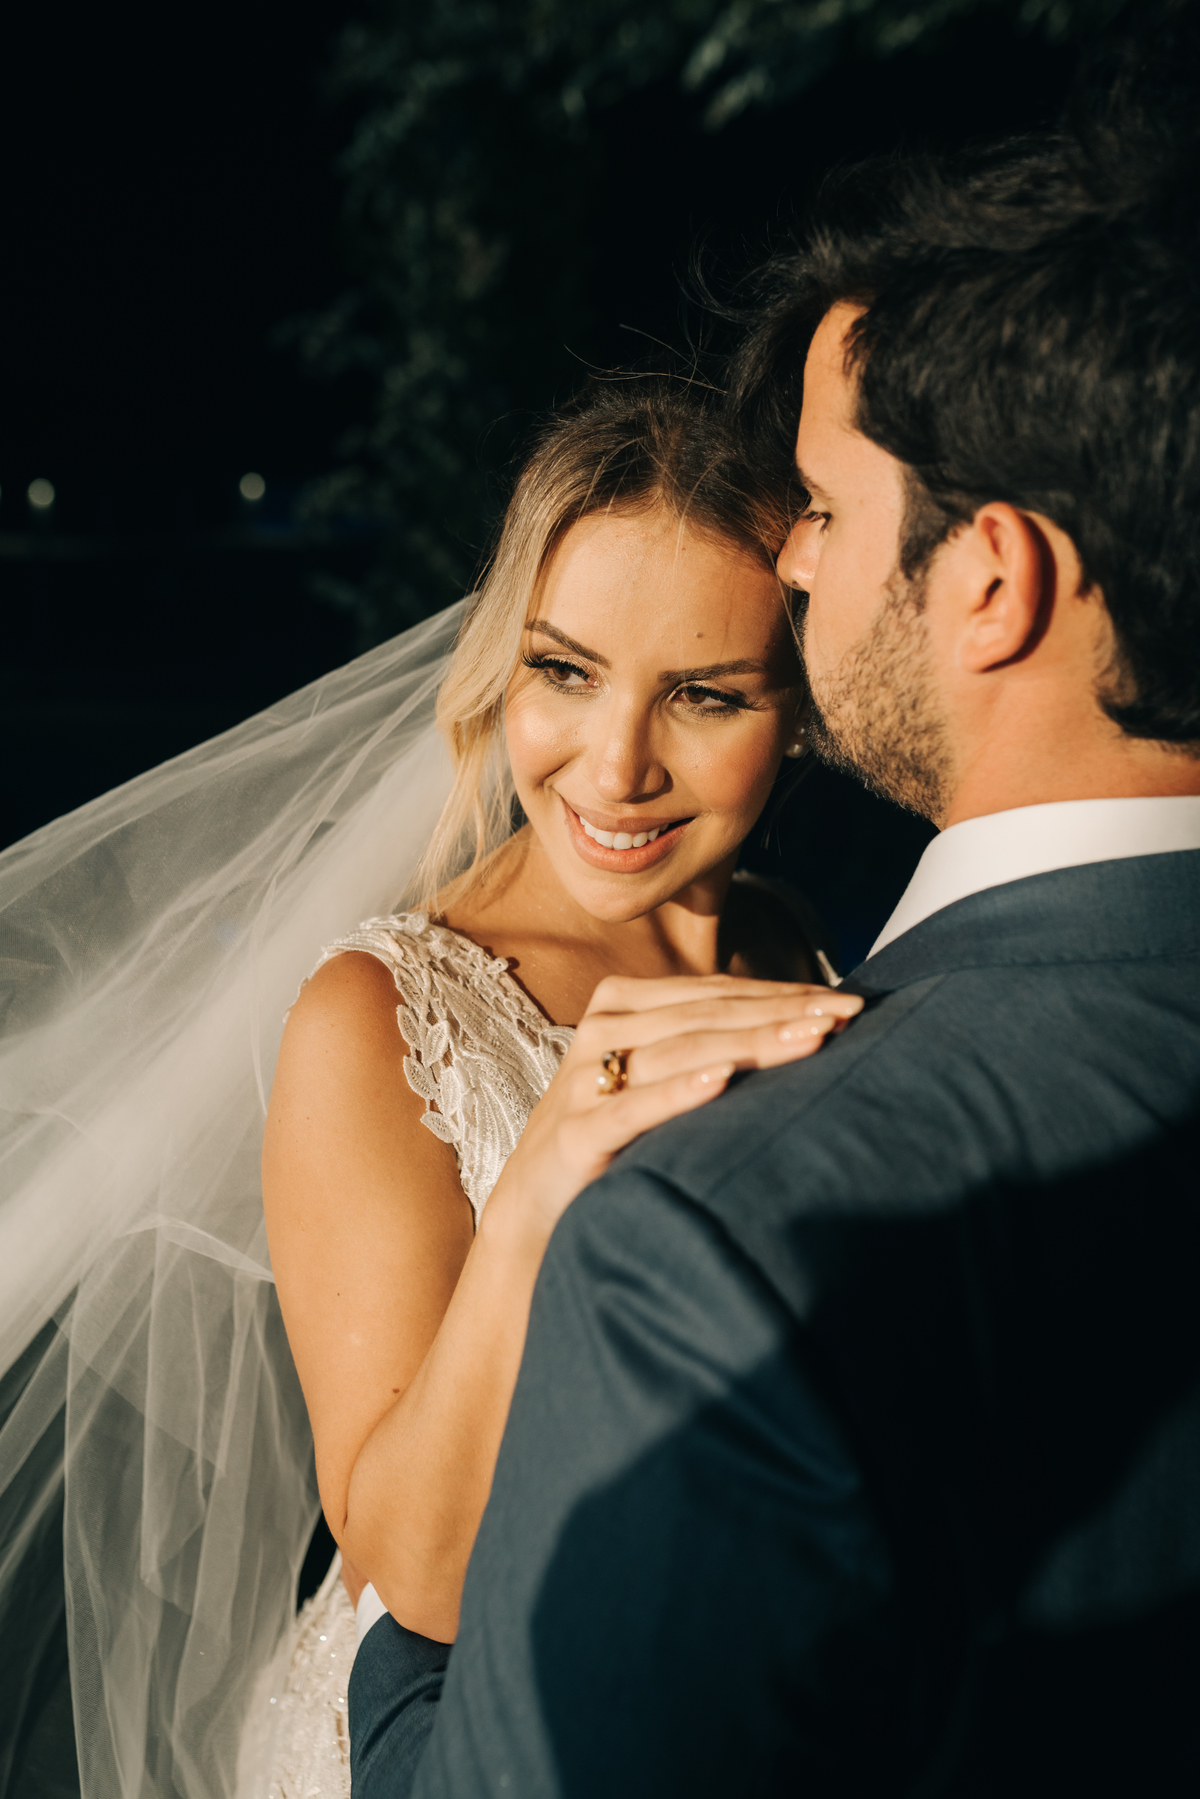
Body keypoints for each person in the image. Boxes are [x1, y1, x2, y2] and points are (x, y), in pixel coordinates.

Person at [346, 9, 1200, 1796]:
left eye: (820, 507)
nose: (802, 553)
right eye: (564, 672)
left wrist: (394, 1675)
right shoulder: (391, 1014)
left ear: (989, 583)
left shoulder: (740, 1188)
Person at [258, 377, 861, 1794]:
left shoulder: (797, 943)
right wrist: (538, 1180)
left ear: (803, 708)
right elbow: (419, 1576)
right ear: (499, 664)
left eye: (706, 695)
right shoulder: (382, 1018)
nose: (617, 765)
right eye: (564, 670)